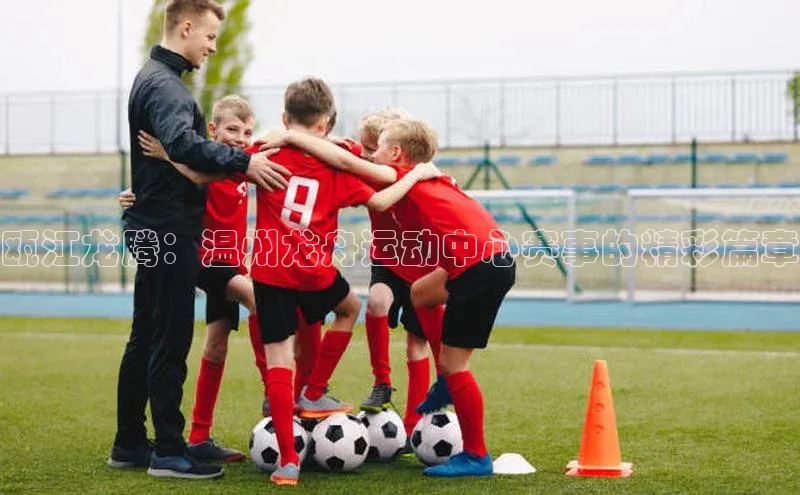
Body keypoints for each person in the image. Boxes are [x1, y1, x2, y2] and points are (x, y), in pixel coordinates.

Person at [109, 0, 288, 480]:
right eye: (208, 37)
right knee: (169, 339)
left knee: (145, 334)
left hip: (153, 224)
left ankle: (130, 443)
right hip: (167, 230)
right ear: (185, 28)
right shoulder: (166, 86)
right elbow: (185, 146)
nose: (211, 47)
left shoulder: (153, 78)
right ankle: (169, 451)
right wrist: (245, 162)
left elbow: (175, 153)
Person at [248, 77, 441, 485]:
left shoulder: (266, 151)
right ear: (325, 124)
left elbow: (220, 168)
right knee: (350, 308)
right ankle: (315, 390)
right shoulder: (336, 167)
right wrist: (418, 175)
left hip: (268, 269)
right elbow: (379, 198)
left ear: (285, 117)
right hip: (313, 270)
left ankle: (287, 463)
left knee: (279, 358)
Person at [119, 95, 268, 463]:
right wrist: (135, 195)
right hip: (204, 259)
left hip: (231, 261)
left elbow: (273, 144)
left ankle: (200, 436)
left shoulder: (242, 161)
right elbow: (182, 182)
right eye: (232, 129)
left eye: (247, 132)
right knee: (260, 299)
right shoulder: (202, 160)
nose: (240, 138)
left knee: (216, 344)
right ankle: (274, 391)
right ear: (213, 129)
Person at [353, 109, 445, 443]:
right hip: (388, 261)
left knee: (416, 344)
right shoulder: (366, 167)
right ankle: (382, 382)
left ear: (393, 151)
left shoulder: (421, 178)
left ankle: (412, 424)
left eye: (370, 148)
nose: (365, 155)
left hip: (422, 268)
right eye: (363, 147)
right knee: (377, 301)